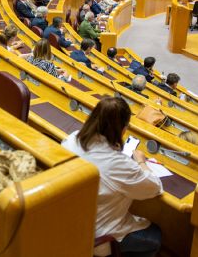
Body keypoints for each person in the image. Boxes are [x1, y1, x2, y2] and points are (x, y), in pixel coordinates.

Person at [61, 97, 163, 257]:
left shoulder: (72, 139)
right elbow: (154, 187)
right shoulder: (119, 164)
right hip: (97, 236)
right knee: (155, 237)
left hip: (66, 221)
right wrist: (141, 162)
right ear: (123, 130)